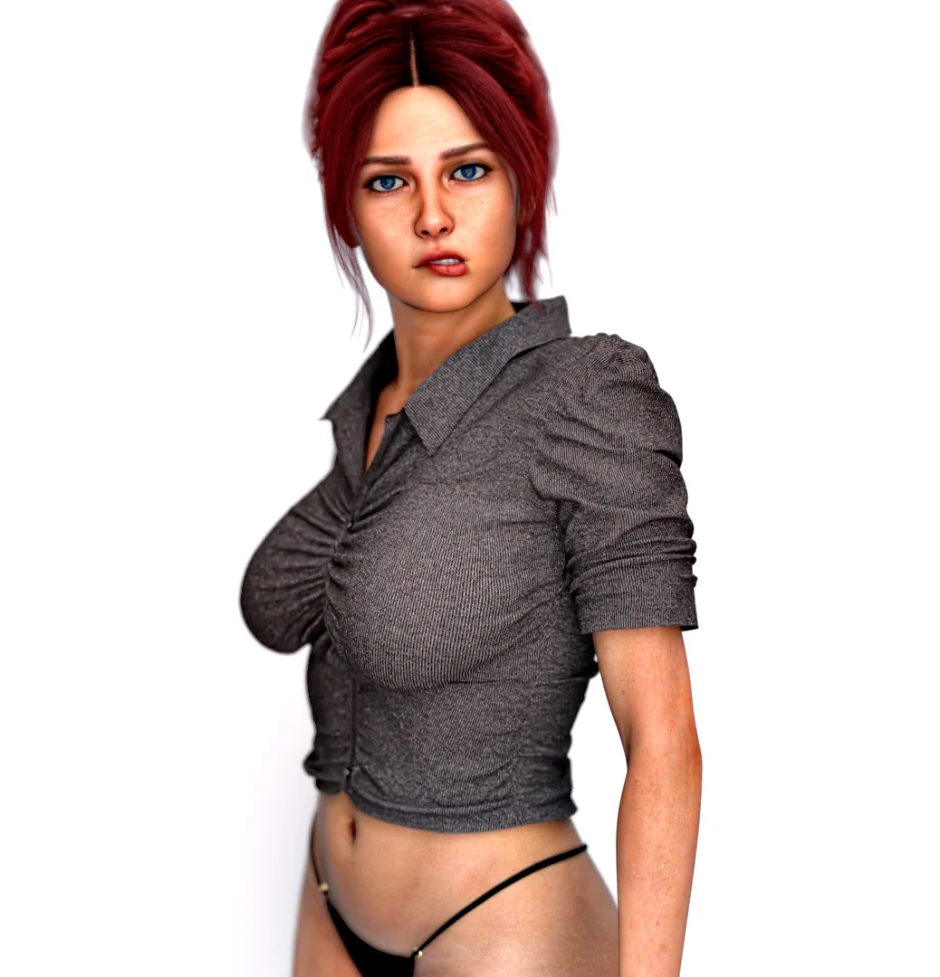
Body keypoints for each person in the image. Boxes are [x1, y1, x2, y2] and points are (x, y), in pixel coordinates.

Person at [239, 2, 703, 973]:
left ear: (523, 182)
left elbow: (661, 739)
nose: (432, 215)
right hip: (329, 905)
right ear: (348, 211)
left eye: (467, 169)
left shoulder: (585, 395)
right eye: (388, 181)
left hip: (502, 926)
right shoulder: (368, 414)